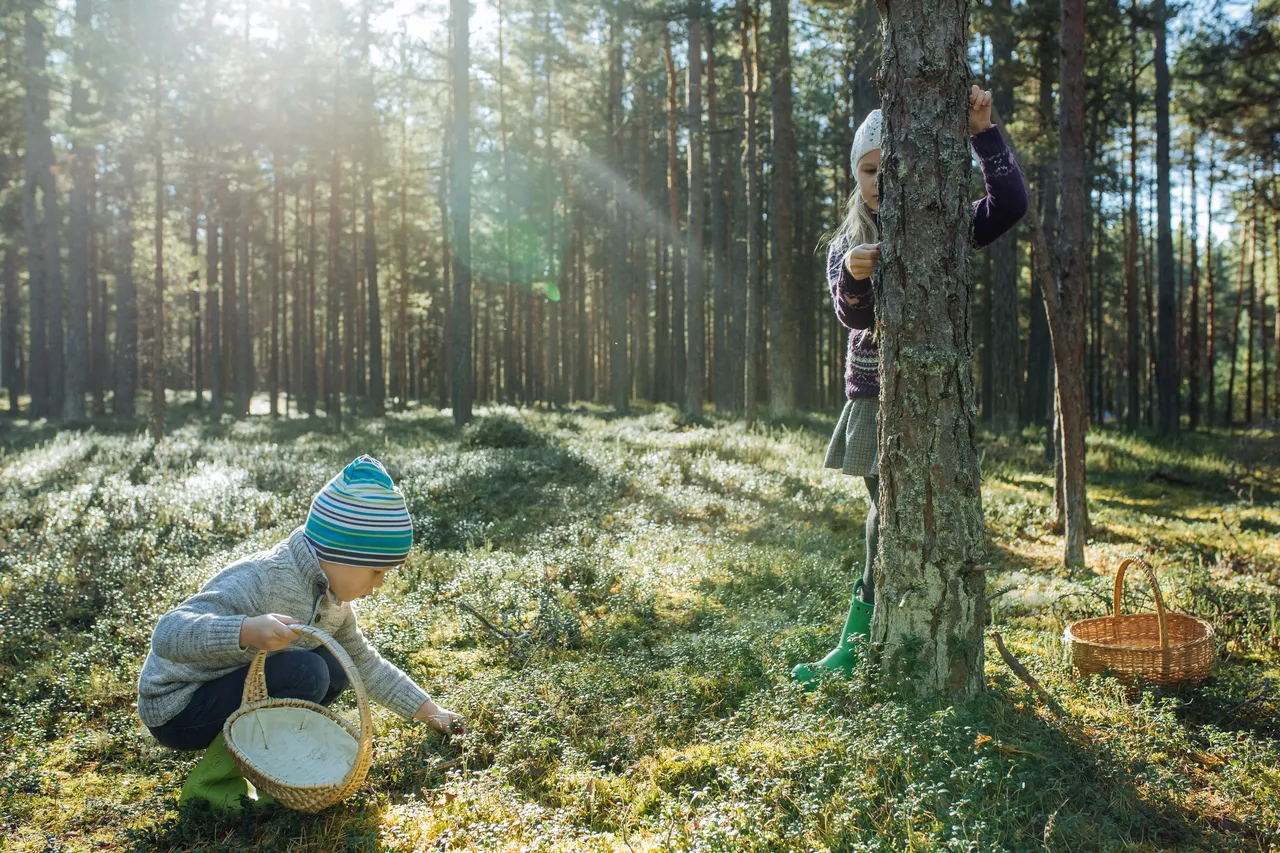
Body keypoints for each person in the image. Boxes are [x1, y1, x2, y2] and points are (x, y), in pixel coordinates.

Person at [792, 86, 1029, 688]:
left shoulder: (942, 227)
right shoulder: (848, 247)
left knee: (923, 511)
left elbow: (1009, 205)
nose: (879, 180)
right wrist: (853, 275)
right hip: (874, 400)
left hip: (935, 395)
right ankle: (855, 637)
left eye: (889, 167)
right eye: (869, 170)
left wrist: (984, 134)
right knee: (882, 513)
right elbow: (851, 317)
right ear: (857, 177)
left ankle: (909, 628)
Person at [137, 455, 464, 809]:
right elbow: (168, 634)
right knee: (308, 672)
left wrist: (433, 712)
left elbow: (364, 664)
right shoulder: (262, 578)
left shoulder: (333, 601)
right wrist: (245, 631)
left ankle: (276, 759)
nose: (379, 585)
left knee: (337, 666)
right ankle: (217, 783)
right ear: (343, 554)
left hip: (232, 689)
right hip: (181, 706)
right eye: (376, 572)